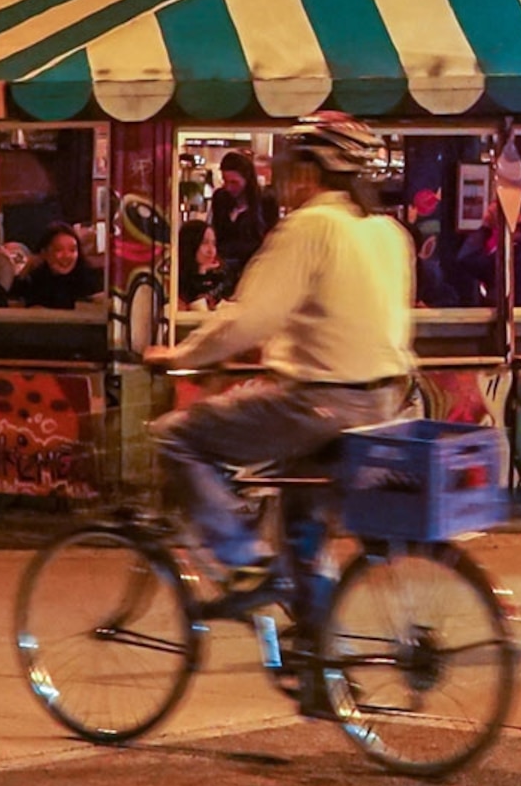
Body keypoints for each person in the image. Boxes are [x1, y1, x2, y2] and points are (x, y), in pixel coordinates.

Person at [147, 119, 415, 573]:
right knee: (299, 513)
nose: (279, 180)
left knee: (177, 436)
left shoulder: (310, 227)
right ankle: (313, 631)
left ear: (309, 174)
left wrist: (181, 357)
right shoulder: (389, 234)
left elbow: (248, 319)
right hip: (385, 406)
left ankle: (238, 556)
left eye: (288, 168)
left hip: (318, 405)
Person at [208, 151, 273, 277]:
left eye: (234, 182)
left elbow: (268, 241)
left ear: (247, 179)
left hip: (254, 270)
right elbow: (217, 233)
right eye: (225, 181)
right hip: (222, 270)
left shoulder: (265, 201)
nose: (228, 187)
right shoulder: (220, 198)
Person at [15, 223, 105, 310]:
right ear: (44, 253)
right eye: (58, 250)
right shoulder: (33, 281)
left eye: (72, 250)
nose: (67, 256)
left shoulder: (91, 280)